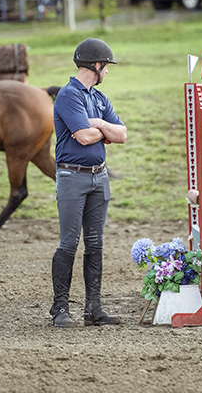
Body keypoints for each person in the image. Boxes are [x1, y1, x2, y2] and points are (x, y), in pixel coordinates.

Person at [50, 38, 127, 328]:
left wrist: (100, 125)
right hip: (72, 177)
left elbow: (122, 134)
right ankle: (59, 308)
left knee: (95, 244)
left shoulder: (99, 99)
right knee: (69, 243)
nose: (107, 72)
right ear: (96, 65)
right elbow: (82, 136)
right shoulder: (69, 95)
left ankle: (93, 308)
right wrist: (99, 128)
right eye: (106, 67)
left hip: (99, 176)